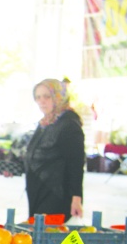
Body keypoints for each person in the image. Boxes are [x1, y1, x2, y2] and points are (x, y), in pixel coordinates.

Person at [19, 78, 84, 220]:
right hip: (39, 191)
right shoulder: (46, 123)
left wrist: (76, 197)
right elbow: (35, 154)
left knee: (50, 232)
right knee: (37, 230)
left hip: (57, 194)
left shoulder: (69, 124)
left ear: (58, 97)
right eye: (38, 97)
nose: (42, 101)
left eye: (47, 96)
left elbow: (76, 163)